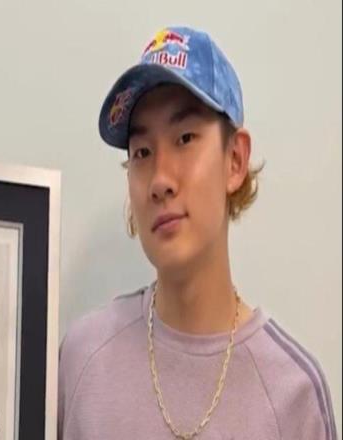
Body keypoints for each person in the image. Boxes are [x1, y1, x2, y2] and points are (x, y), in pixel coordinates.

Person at [58, 25, 337, 440]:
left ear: (235, 160)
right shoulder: (82, 358)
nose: (160, 179)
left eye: (185, 138)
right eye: (142, 152)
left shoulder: (292, 393)